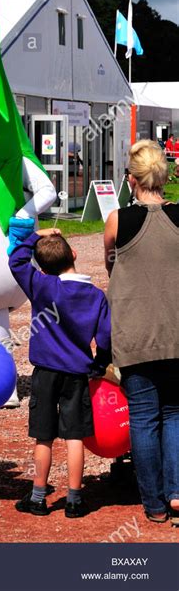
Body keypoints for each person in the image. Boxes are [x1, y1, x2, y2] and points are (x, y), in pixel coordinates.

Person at [8, 227, 111, 518]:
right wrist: (99, 364)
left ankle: (38, 497)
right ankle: (75, 500)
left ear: (42, 268)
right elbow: (105, 338)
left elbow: (15, 261)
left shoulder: (43, 286)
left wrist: (34, 235)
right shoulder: (95, 295)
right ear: (74, 254)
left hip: (45, 372)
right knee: (74, 436)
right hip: (77, 372)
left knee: (44, 437)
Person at [104, 140, 179, 526]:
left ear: (131, 179)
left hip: (135, 334)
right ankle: (177, 490)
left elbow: (110, 263)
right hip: (176, 333)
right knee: (175, 413)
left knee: (144, 417)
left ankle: (153, 503)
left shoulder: (119, 219)